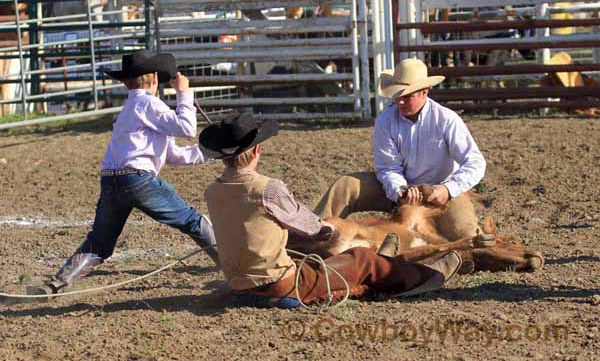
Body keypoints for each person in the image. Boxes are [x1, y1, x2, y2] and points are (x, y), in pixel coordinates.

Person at [199, 112, 463, 308]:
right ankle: (430, 276)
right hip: (279, 284)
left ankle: (378, 275)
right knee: (360, 258)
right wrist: (330, 228)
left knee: (325, 260)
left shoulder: (212, 191)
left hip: (238, 283)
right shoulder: (268, 188)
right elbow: (312, 227)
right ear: (258, 149)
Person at [28, 50, 219, 296]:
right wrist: (184, 92)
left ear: (126, 81)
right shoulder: (148, 103)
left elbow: (173, 154)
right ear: (153, 78)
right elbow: (187, 127)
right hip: (138, 179)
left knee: (99, 242)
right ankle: (237, 272)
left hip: (112, 180)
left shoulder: (133, 108)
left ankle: (56, 284)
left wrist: (213, 152)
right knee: (193, 221)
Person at [315, 58, 487, 241]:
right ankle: (312, 230)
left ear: (424, 92)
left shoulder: (446, 119)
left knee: (465, 233)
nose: (400, 102)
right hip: (400, 189)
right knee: (346, 186)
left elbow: (476, 162)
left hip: (441, 189)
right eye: (397, 96)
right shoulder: (386, 120)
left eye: (406, 96)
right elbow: (388, 167)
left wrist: (448, 189)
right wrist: (400, 191)